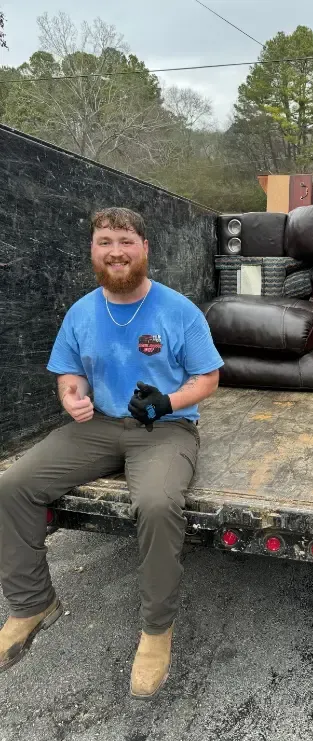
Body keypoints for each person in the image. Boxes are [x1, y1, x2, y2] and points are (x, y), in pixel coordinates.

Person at [0, 207, 223, 699]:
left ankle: (156, 630)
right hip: (99, 426)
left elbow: (208, 377)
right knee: (12, 486)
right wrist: (71, 396)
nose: (115, 251)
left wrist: (167, 401)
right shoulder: (82, 311)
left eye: (125, 241)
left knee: (159, 504)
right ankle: (31, 605)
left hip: (165, 429)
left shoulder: (178, 310)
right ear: (93, 250)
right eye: (105, 241)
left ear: (144, 249)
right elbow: (69, 371)